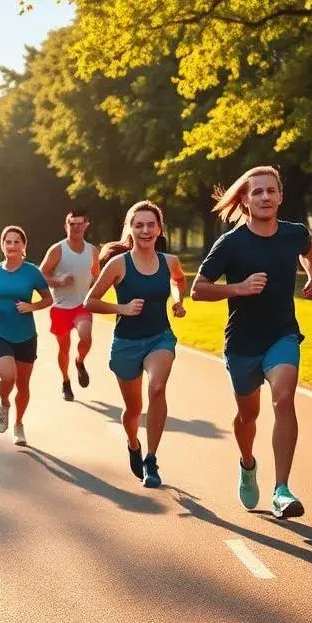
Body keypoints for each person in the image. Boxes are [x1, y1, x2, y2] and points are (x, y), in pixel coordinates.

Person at [190, 165, 312, 519]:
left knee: (284, 398)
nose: (265, 197)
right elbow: (197, 289)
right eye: (257, 192)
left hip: (282, 335)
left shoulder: (295, 233)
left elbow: (309, 250)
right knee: (249, 415)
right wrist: (238, 288)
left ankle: (281, 489)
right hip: (243, 344)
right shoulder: (231, 243)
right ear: (245, 200)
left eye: (271, 190)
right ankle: (247, 463)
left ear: (280, 196)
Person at [85, 200, 187, 488]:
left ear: (159, 228)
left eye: (150, 224)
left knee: (156, 388)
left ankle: (151, 459)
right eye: (138, 225)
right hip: (126, 343)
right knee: (133, 409)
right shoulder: (119, 264)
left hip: (160, 337)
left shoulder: (169, 261)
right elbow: (89, 301)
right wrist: (123, 309)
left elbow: (179, 280)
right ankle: (133, 443)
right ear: (130, 229)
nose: (145, 230)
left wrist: (178, 302)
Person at [0, 225, 53, 446]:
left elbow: (48, 299)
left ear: (24, 246)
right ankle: (4, 403)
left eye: (16, 242)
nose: (12, 245)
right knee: (8, 378)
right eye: (8, 242)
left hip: (26, 336)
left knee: (23, 385)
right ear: (2, 246)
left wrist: (31, 307)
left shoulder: (32, 272)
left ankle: (19, 424)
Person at [40, 209, 100, 402]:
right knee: (63, 348)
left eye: (79, 224)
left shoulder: (92, 251)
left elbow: (97, 276)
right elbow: (41, 274)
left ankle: (80, 361)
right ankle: (66, 382)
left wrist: (95, 292)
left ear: (85, 225)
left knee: (86, 337)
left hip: (82, 305)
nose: (75, 228)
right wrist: (58, 281)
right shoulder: (58, 249)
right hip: (61, 307)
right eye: (71, 224)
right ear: (66, 226)